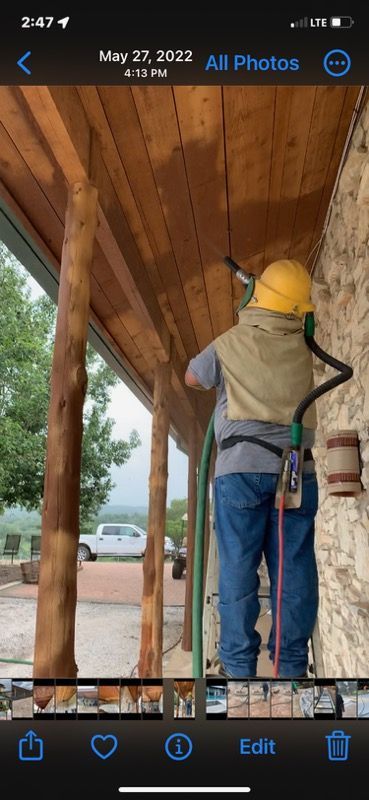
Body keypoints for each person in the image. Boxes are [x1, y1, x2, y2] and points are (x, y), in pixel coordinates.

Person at [185, 259, 319, 679]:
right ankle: (291, 668)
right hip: (296, 467)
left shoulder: (231, 341)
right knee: (293, 567)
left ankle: (240, 669)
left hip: (240, 467)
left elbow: (193, 376)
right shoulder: (306, 347)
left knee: (239, 569)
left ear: (258, 295)